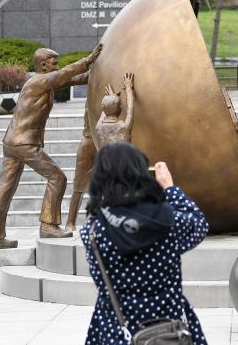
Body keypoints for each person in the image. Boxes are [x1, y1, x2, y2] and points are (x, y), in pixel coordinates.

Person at [80, 142, 209, 344]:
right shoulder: (167, 220)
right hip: (170, 330)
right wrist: (169, 188)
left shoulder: (94, 230)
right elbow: (199, 225)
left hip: (115, 331)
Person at [0, 44, 102, 250]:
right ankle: (48, 225)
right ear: (43, 65)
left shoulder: (44, 82)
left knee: (4, 191)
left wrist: (102, 72)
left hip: (13, 142)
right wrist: (88, 59)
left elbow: (74, 78)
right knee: (58, 178)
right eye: (54, 63)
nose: (58, 66)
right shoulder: (38, 81)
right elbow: (67, 73)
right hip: (24, 143)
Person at [95, 72, 135, 147]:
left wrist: (111, 98)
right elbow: (130, 108)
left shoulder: (98, 127)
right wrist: (128, 88)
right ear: (120, 108)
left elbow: (104, 109)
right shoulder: (124, 127)